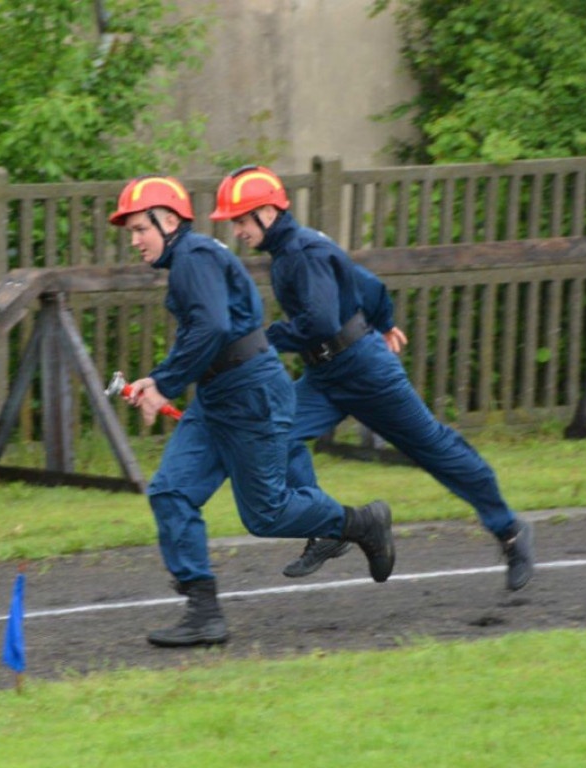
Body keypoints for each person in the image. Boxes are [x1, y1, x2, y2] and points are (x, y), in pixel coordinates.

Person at [210, 165, 535, 591]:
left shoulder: (301, 252)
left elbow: (321, 322)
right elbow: (368, 283)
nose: (236, 230)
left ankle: (509, 530)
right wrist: (383, 320)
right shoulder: (298, 248)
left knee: (434, 448)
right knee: (278, 434)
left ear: (268, 212)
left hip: (365, 373)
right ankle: (327, 528)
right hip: (326, 376)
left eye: (239, 219)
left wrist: (264, 340)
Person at [108, 174, 395, 648]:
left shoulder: (193, 257)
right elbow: (204, 333)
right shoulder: (192, 260)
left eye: (140, 228)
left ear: (169, 221)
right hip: (218, 396)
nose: (135, 241)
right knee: (171, 492)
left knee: (266, 514)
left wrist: (165, 383)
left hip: (249, 395)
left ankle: (361, 523)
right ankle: (204, 613)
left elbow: (213, 327)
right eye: (132, 232)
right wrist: (157, 379)